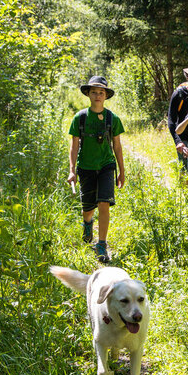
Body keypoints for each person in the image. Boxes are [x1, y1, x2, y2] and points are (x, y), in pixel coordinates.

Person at [67, 76, 126, 263]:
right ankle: (87, 223)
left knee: (104, 203)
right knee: (88, 208)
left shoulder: (112, 118)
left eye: (101, 92)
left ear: (106, 95)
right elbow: (74, 146)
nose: (98, 95)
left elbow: (117, 146)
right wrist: (72, 170)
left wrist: (122, 171)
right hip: (86, 167)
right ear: (88, 94)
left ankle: (101, 243)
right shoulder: (80, 117)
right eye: (94, 92)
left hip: (107, 166)